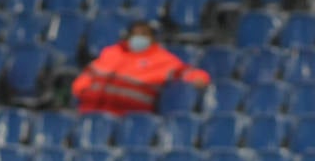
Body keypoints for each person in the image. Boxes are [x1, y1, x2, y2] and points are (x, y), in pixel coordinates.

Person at [71, 20, 210, 116]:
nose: (138, 38)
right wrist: (80, 90)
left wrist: (199, 78)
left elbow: (184, 72)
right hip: (89, 112)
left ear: (152, 38)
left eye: (144, 34)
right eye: (135, 34)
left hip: (128, 118)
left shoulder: (161, 59)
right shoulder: (112, 52)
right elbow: (88, 75)